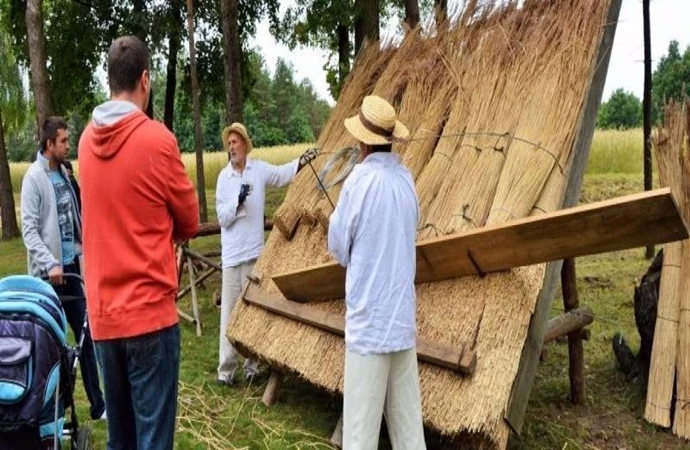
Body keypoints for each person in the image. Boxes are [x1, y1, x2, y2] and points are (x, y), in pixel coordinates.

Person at [78, 36, 199, 450]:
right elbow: (190, 220)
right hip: (149, 315)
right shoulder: (158, 141)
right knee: (153, 440)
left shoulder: (83, 144)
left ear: (110, 80)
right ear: (145, 80)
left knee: (121, 440)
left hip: (103, 319)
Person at [327, 95, 425, 449]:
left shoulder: (357, 183)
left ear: (363, 142)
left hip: (369, 327)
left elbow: (338, 248)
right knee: (409, 430)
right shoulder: (406, 179)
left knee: (360, 433)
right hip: (401, 321)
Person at [215, 122, 317, 386]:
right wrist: (237, 200)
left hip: (254, 254)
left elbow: (283, 174)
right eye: (229, 144)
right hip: (232, 256)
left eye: (235, 143)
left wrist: (302, 162)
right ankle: (226, 371)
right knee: (229, 312)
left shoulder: (258, 170)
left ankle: (251, 366)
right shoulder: (223, 179)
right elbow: (222, 219)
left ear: (245, 146)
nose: (231, 148)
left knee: (251, 311)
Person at [20, 116, 106, 421]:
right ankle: (51, 408)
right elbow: (29, 231)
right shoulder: (34, 179)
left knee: (87, 335)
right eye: (64, 141)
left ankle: (98, 406)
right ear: (49, 145)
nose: (69, 145)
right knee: (51, 343)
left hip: (71, 270)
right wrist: (50, 262)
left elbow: (74, 220)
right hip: (48, 276)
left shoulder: (66, 176)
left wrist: (86, 247)